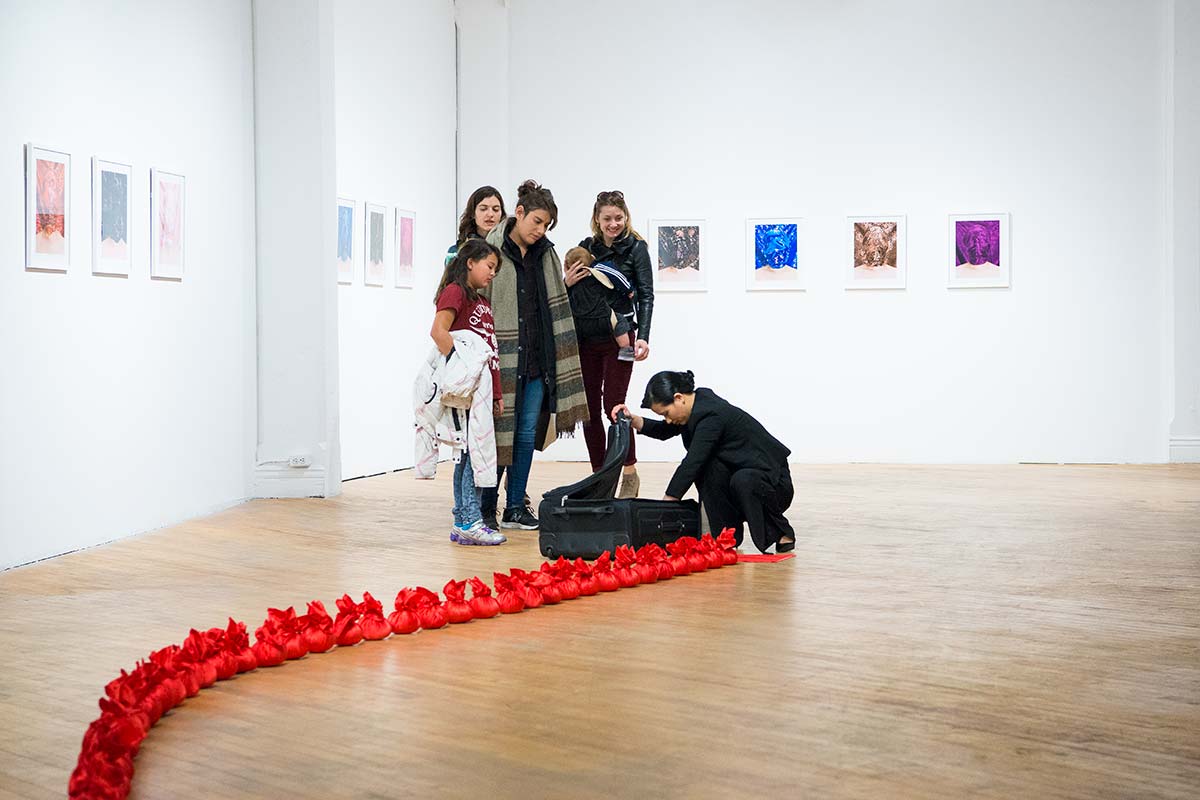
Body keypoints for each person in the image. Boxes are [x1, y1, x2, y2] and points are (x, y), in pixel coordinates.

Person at [479, 179, 590, 530]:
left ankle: (515, 506)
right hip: (503, 360)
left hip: (538, 359)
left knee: (526, 434)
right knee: (497, 435)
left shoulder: (546, 254)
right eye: (537, 222)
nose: (541, 231)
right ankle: (485, 507)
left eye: (547, 226)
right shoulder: (492, 251)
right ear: (520, 213)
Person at [612, 370, 796, 554]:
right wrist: (634, 420)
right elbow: (664, 430)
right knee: (711, 469)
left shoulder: (711, 415)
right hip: (744, 480)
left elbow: (693, 461)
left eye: (666, 413)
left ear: (678, 398)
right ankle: (725, 537)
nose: (667, 420)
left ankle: (782, 534)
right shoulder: (695, 406)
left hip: (774, 485)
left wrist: (668, 502)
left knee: (738, 477)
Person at [576, 190, 655, 497]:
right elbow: (574, 289)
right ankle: (599, 477)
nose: (613, 224)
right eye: (607, 218)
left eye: (618, 218)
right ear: (597, 218)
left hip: (621, 338)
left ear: (626, 217)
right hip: (587, 337)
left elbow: (646, 295)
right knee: (589, 409)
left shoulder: (636, 248)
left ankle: (629, 472)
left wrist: (644, 336)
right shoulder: (586, 248)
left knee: (615, 406)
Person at [429, 239, 507, 546]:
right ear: (470, 262)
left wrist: (496, 394)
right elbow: (438, 332)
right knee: (469, 453)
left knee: (475, 453)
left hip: (482, 391)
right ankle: (468, 520)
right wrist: (462, 370)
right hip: (466, 389)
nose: (492, 274)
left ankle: (465, 517)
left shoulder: (483, 303)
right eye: (489, 267)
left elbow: (490, 352)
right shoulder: (455, 291)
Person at [562, 246, 636, 350]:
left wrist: (565, 281)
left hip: (581, 321)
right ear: (592, 257)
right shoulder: (600, 268)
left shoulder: (571, 281)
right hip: (602, 317)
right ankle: (626, 349)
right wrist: (629, 290)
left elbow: (562, 299)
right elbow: (617, 276)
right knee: (619, 321)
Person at [446, 186, 506, 267]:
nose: (490, 214)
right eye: (483, 209)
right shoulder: (455, 252)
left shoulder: (509, 248)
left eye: (495, 209)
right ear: (473, 213)